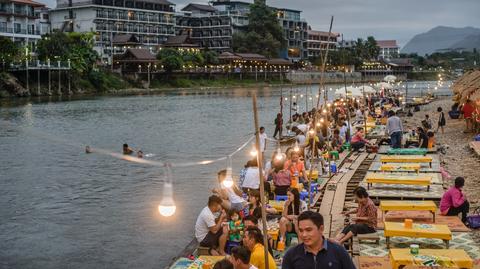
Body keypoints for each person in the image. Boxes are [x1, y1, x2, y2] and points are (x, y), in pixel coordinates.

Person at [282, 211, 355, 269]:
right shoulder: (291, 255)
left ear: (321, 229)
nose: (304, 235)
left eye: (308, 230)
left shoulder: (338, 252)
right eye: (301, 230)